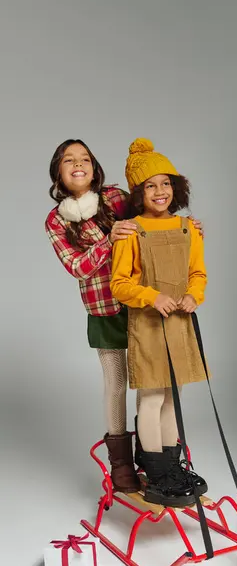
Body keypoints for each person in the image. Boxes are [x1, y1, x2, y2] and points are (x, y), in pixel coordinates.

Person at [44, 139, 204, 495]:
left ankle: (154, 457)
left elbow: (151, 216)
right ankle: (121, 462)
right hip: (104, 309)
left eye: (84, 158)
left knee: (151, 381)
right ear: (58, 170)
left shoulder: (115, 198)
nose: (78, 164)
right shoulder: (56, 220)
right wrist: (108, 242)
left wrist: (184, 230)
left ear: (94, 165)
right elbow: (76, 266)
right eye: (69, 160)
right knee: (117, 383)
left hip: (143, 304)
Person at [110, 138, 208, 507]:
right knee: (151, 396)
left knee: (173, 396)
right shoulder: (130, 231)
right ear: (138, 193)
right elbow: (120, 284)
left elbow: (198, 274)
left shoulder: (188, 228)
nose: (160, 191)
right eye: (150, 185)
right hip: (148, 324)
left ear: (176, 187)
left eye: (165, 183)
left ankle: (171, 466)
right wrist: (152, 297)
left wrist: (192, 296)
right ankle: (156, 472)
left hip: (180, 322)